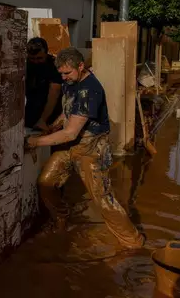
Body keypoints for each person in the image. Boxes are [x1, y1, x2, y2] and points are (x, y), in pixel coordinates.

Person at [26, 47, 144, 249]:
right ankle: (61, 221)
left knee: (102, 200)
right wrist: (52, 126)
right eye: (61, 73)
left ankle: (133, 243)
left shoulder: (90, 89)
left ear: (80, 66)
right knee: (46, 182)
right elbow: (68, 112)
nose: (63, 77)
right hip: (70, 146)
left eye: (67, 73)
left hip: (91, 149)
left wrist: (35, 142)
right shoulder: (71, 82)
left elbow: (71, 132)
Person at [25, 38, 62, 132]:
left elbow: (54, 94)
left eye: (40, 58)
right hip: (30, 110)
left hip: (51, 112)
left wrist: (43, 120)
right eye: (32, 58)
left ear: (46, 53)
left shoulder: (54, 66)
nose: (36, 61)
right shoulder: (25, 64)